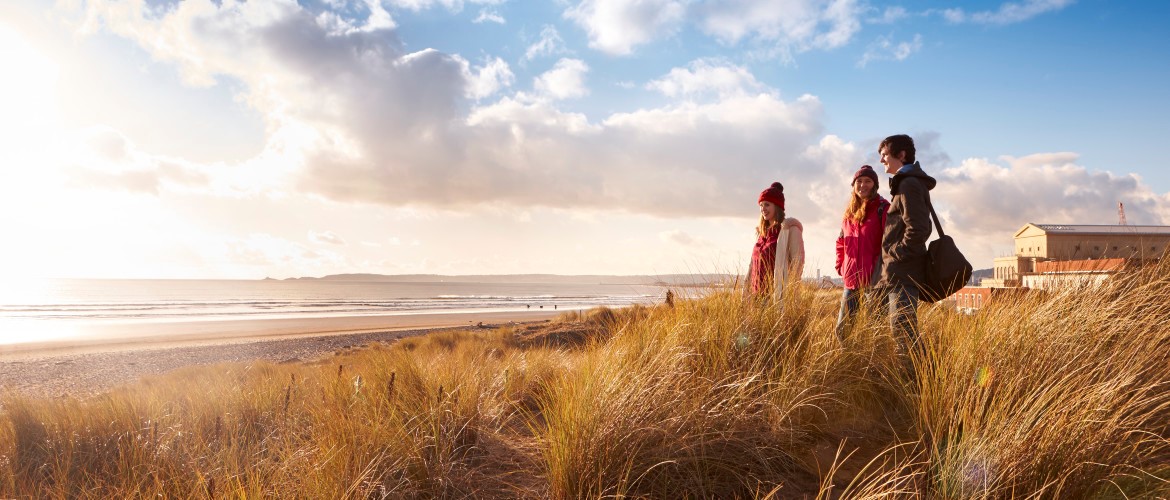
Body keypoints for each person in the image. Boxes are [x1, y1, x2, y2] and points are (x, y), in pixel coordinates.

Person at [876, 134, 935, 355]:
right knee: (900, 331)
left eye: (884, 155)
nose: (882, 160)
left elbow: (919, 228)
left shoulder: (909, 184)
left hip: (904, 272)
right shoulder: (906, 183)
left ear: (901, 155)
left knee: (902, 332)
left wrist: (895, 253)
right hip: (898, 272)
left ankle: (915, 385)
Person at [834, 165, 889, 340]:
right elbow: (841, 242)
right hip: (851, 281)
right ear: (853, 185)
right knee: (843, 331)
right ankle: (847, 364)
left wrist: (881, 273)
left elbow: (889, 244)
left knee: (874, 333)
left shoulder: (883, 209)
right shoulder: (848, 214)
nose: (862, 185)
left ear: (875, 185)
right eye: (859, 181)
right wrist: (841, 266)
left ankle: (873, 366)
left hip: (875, 282)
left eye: (868, 181)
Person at [746, 182, 805, 302]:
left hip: (775, 296)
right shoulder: (761, 233)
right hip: (756, 295)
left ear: (777, 206)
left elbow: (797, 263)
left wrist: (788, 293)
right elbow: (752, 265)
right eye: (761, 205)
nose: (763, 209)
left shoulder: (788, 230)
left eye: (767, 205)